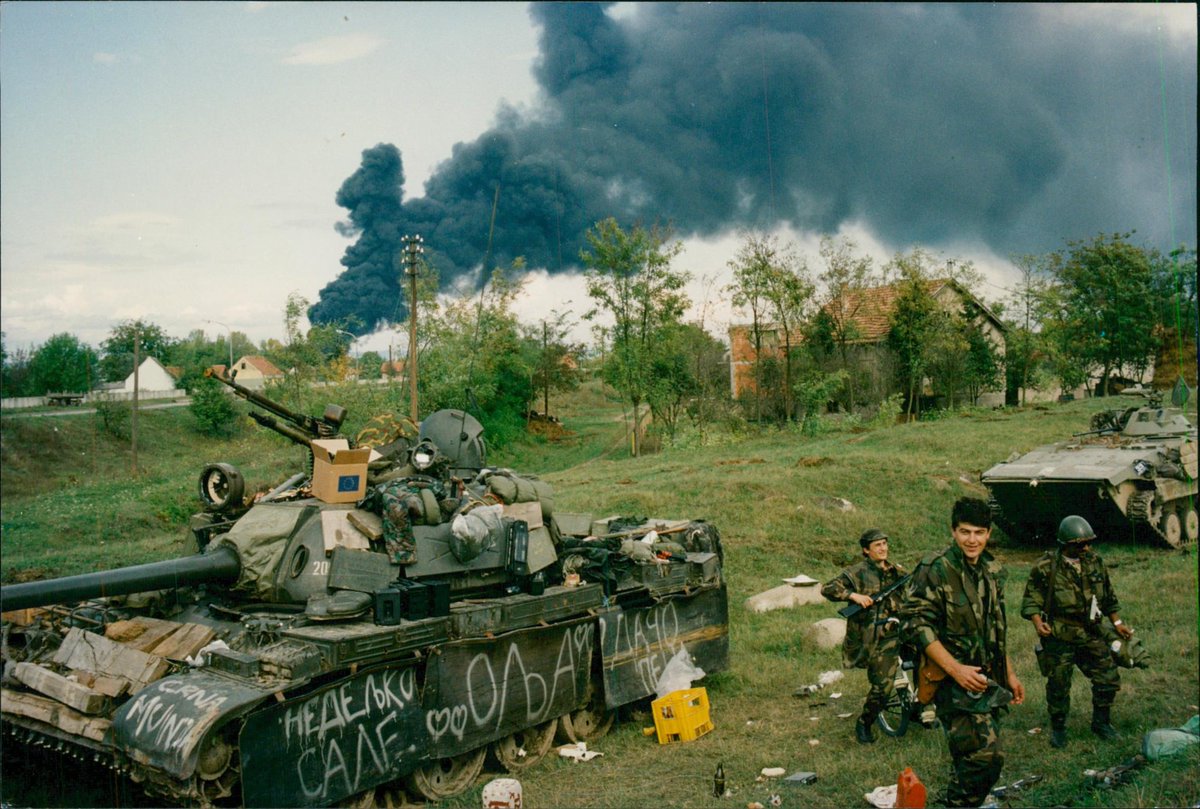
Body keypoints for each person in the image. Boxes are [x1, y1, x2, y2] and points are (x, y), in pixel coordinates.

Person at [900, 497, 1024, 808]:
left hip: (986, 677)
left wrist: (1008, 672)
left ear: (989, 533)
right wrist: (956, 669)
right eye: (965, 532)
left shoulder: (992, 570)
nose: (973, 540)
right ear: (954, 532)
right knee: (987, 755)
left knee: (970, 754)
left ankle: (962, 799)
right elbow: (916, 625)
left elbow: (996, 627)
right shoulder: (935, 569)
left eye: (979, 533)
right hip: (950, 678)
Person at [1020, 514, 1131, 749]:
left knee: (1107, 676)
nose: (1086, 548)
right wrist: (1038, 623)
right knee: (1059, 684)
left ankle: (1101, 723)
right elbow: (1031, 600)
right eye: (1080, 545)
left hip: (1091, 632)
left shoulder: (1095, 562)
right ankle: (1058, 728)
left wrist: (1118, 622)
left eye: (1088, 543)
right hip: (1060, 634)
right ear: (1066, 545)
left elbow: (1109, 597)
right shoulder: (1046, 567)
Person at [821, 528, 908, 744]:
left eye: (885, 543)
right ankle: (865, 722)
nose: (883, 548)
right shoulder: (857, 572)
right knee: (882, 687)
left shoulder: (896, 571)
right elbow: (828, 588)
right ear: (866, 550)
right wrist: (853, 596)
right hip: (872, 638)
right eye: (877, 545)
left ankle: (921, 709)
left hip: (898, 630)